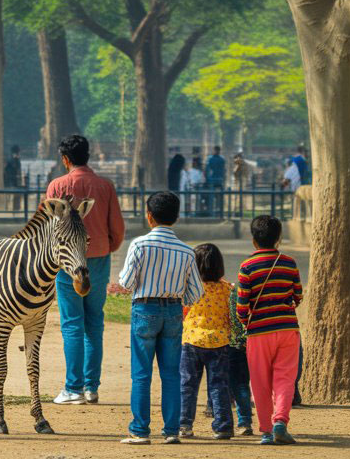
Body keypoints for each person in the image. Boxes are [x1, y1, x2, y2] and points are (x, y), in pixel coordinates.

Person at [118, 191, 203, 445]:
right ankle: (171, 430)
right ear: (176, 217)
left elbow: (126, 282)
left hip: (145, 309)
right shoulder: (187, 251)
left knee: (141, 374)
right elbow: (196, 293)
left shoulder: (139, 245)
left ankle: (140, 430)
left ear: (149, 216)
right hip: (173, 311)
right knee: (171, 374)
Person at [46, 134, 125, 405]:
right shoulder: (105, 186)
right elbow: (117, 228)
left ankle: (73, 387)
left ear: (65, 159)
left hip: (67, 263)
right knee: (94, 322)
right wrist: (106, 246)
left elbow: (49, 229)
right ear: (88, 155)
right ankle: (91, 387)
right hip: (98, 258)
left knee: (72, 324)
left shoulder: (57, 186)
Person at [236, 215, 303, 445]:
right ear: (279, 238)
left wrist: (245, 320)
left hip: (258, 332)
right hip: (287, 329)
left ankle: (266, 431)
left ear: (254, 240)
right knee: (285, 378)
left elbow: (242, 305)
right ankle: (280, 422)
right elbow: (298, 295)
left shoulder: (247, 267)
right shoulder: (289, 263)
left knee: (260, 382)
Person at [179, 244, 233, 440]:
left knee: (187, 386)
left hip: (192, 341)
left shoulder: (190, 288)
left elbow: (182, 310)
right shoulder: (227, 289)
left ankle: (184, 424)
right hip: (219, 342)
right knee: (219, 386)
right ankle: (223, 426)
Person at [227, 282, 254, 435]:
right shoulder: (241, 290)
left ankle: (234, 423)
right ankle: (245, 422)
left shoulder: (230, 291)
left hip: (230, 343)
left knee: (232, 385)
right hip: (249, 342)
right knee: (244, 384)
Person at [205, 145, 226, 218]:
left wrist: (207, 179)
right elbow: (224, 171)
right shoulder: (222, 159)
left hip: (212, 181)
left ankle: (211, 213)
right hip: (220, 181)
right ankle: (219, 213)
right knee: (219, 197)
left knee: (211, 197)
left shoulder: (210, 159)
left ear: (214, 150)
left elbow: (207, 170)